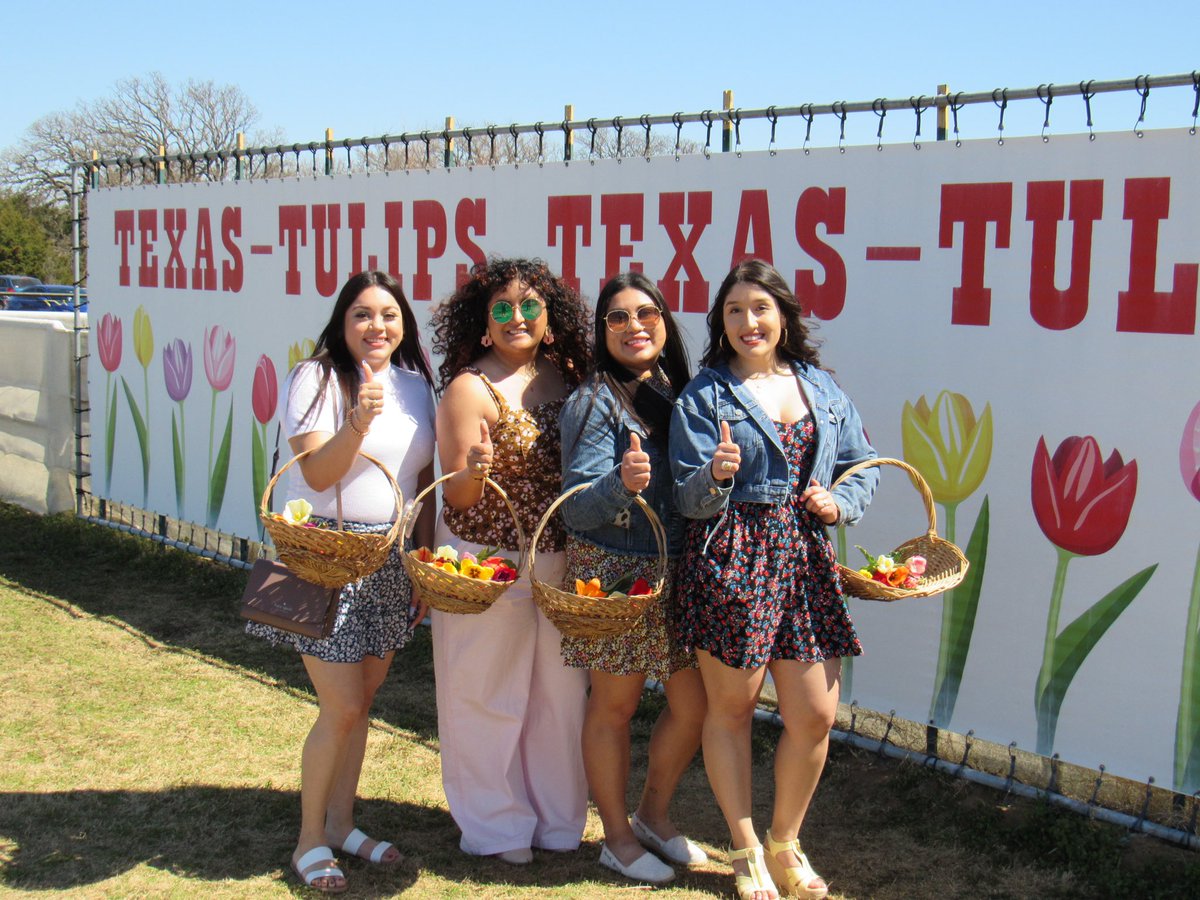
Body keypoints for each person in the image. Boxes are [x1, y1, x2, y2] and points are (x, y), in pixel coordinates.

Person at [669, 259, 878, 900]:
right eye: (734, 311)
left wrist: (839, 505)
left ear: (782, 315)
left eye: (760, 307)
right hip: (733, 560)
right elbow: (686, 494)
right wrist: (717, 476)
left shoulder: (822, 388)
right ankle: (744, 848)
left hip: (806, 563)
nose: (748, 321)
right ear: (721, 323)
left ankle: (786, 841)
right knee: (730, 710)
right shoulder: (704, 395)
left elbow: (862, 462)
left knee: (814, 715)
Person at [246, 271, 436, 893]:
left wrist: (422, 563)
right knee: (343, 705)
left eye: (388, 314)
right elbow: (321, 474)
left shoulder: (416, 384)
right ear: (342, 322)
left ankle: (341, 825)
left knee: (362, 706)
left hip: (389, 559)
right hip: (323, 557)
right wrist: (356, 420)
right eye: (361, 314)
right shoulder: (317, 376)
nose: (376, 326)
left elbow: (422, 480)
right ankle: (308, 842)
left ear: (403, 321)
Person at [430, 257, 593, 864]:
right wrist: (473, 472)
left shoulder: (570, 376)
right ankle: (495, 827)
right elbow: (459, 499)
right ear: (483, 321)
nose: (516, 317)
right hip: (487, 565)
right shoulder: (469, 388)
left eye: (529, 307)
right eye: (502, 308)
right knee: (484, 694)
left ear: (551, 319)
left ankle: (556, 821)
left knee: (558, 697)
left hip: (558, 561)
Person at [558, 272, 709, 885]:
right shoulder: (593, 401)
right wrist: (620, 482)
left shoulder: (682, 390)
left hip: (674, 567)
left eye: (645, 313)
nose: (634, 326)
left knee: (695, 705)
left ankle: (651, 815)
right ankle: (615, 838)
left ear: (665, 320)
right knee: (614, 706)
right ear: (601, 331)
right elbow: (573, 508)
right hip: (613, 574)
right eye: (617, 317)